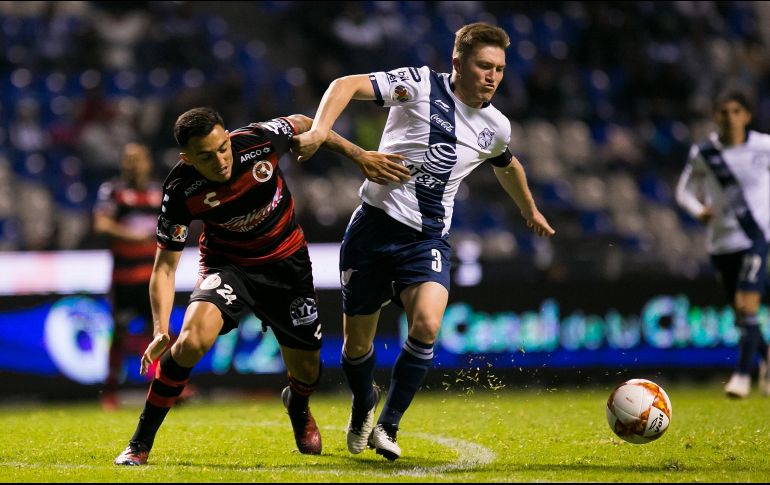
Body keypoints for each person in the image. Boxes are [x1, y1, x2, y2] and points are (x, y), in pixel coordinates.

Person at [294, 22, 555, 460]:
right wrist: (321, 130)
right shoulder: (417, 85)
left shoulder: (496, 126)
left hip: (427, 240)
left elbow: (507, 165)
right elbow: (345, 85)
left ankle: (388, 426)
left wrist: (528, 209)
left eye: (500, 69)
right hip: (372, 231)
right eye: (484, 66)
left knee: (428, 324)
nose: (492, 76)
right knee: (357, 346)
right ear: (458, 63)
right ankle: (363, 404)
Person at [114, 107, 410, 466]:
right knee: (190, 341)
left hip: (287, 265)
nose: (221, 160)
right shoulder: (180, 190)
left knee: (308, 373)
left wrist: (359, 155)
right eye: (206, 156)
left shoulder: (258, 141)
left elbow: (302, 122)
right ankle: (139, 444)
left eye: (223, 147)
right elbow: (164, 267)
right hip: (229, 267)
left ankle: (298, 405)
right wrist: (161, 330)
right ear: (186, 158)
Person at [676, 90, 770, 399]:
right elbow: (684, 192)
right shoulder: (705, 153)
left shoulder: (764, 147)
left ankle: (742, 376)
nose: (729, 117)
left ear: (747, 115)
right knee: (741, 314)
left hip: (756, 238)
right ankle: (767, 358)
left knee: (747, 306)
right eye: (723, 112)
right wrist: (698, 211)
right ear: (715, 117)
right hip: (721, 243)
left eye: (735, 111)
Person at [93, 142, 163, 411]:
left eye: (138, 159)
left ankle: (159, 387)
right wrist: (135, 236)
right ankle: (109, 390)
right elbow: (101, 223)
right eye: (128, 159)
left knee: (157, 332)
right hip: (124, 277)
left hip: (153, 276)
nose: (133, 164)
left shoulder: (158, 193)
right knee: (120, 333)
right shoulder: (113, 191)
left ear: (147, 162)